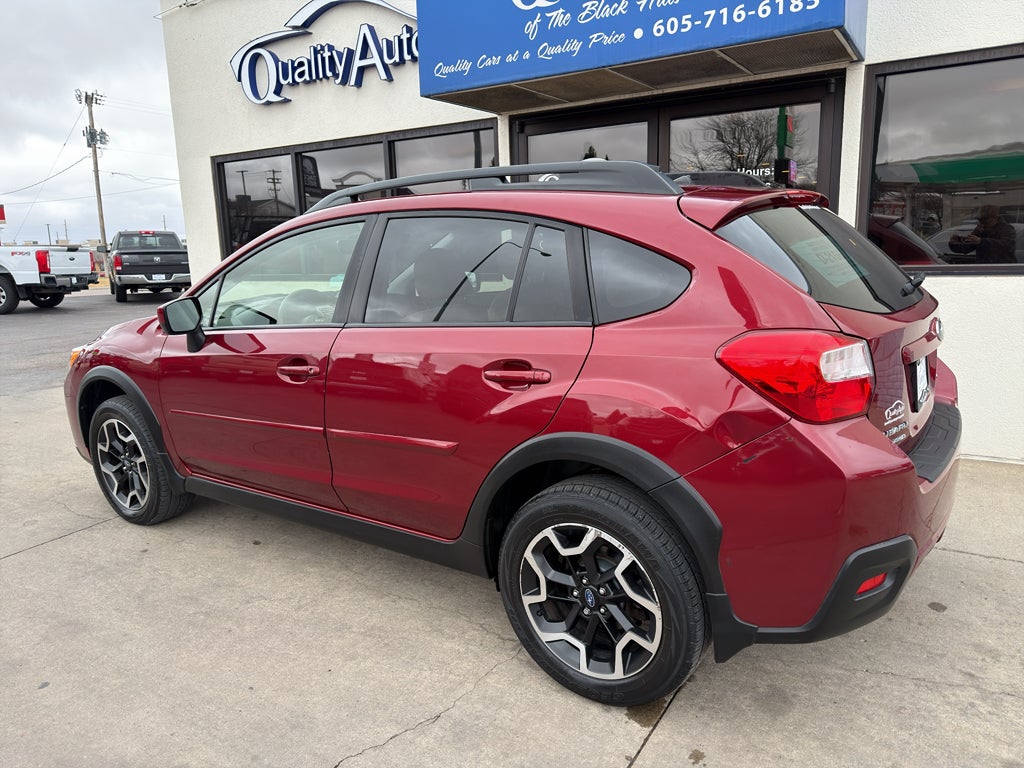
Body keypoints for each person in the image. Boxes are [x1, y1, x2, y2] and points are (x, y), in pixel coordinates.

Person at [948, 205, 1017, 263]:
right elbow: (966, 248)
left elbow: (1007, 246)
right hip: (983, 267)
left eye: (986, 220)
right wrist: (955, 242)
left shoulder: (1006, 229)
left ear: (995, 218)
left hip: (1004, 268)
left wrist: (981, 241)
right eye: (980, 220)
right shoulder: (980, 229)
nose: (983, 223)